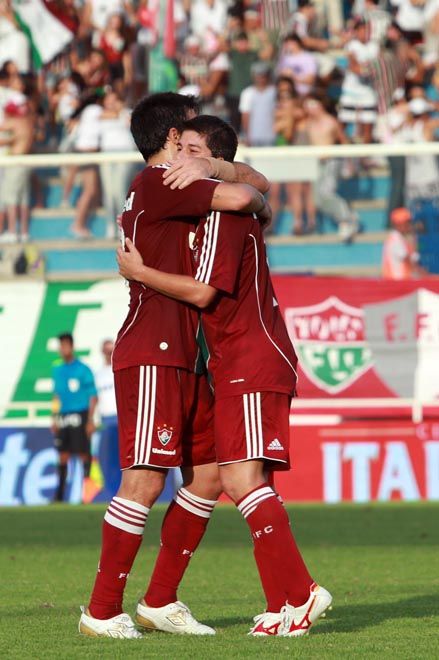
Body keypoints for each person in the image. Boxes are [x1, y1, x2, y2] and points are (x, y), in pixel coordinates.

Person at [117, 114, 333, 638]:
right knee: (239, 479)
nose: (181, 159)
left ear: (214, 161)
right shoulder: (212, 207)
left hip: (248, 356)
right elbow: (257, 188)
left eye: (193, 150)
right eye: (180, 146)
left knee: (240, 479)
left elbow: (206, 293)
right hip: (236, 360)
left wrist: (140, 273)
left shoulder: (224, 216)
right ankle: (283, 605)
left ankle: (302, 593)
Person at [79, 92, 270, 639]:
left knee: (208, 475)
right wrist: (228, 179)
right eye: (189, 138)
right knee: (142, 478)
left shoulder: (172, 190)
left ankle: (160, 599)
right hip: (153, 354)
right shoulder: (161, 181)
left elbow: (257, 187)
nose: (196, 147)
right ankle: (101, 608)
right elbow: (249, 194)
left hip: (185, 357)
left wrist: (220, 169)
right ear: (170, 142)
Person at [301, 94, 359, 241]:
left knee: (326, 193)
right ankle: (346, 216)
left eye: (312, 105)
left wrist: (350, 163)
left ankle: (347, 219)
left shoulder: (331, 121)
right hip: (317, 163)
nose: (310, 108)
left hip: (332, 161)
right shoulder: (308, 123)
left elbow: (344, 141)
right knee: (317, 199)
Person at [52, 333, 98, 502]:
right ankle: (59, 496)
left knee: (83, 453)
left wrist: (91, 420)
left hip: (81, 414)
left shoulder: (83, 369)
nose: (63, 349)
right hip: (64, 415)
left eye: (65, 345)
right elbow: (56, 396)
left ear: (72, 346)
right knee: (62, 454)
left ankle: (86, 495)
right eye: (61, 346)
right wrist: (54, 418)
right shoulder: (57, 370)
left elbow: (93, 396)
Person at [0, 96, 35, 243]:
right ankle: (24, 232)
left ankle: (13, 231)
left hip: (15, 162)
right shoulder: (27, 122)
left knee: (11, 198)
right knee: (24, 199)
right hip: (25, 162)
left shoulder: (14, 122)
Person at [94, 339, 120, 500]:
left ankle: (123, 491)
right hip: (106, 419)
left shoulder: (120, 368)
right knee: (106, 458)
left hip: (121, 418)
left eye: (112, 350)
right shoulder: (98, 374)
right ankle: (110, 492)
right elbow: (94, 399)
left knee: (124, 458)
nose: (109, 354)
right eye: (107, 351)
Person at [382, 207, 426, 279]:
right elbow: (408, 260)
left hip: (402, 282)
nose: (409, 226)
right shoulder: (395, 239)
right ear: (399, 224)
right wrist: (422, 273)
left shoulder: (401, 238)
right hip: (396, 283)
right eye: (407, 223)